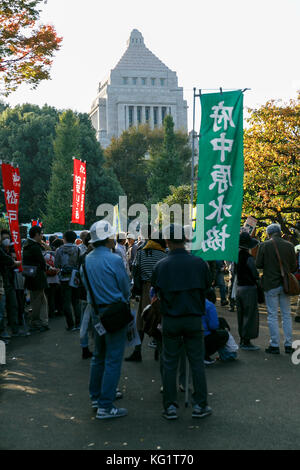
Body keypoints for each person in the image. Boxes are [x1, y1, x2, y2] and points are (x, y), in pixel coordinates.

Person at [151, 224, 212, 420]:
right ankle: (200, 405)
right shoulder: (200, 263)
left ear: (167, 241)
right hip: (194, 318)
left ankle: (169, 406)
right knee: (196, 363)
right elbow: (207, 288)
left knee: (169, 362)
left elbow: (156, 291)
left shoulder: (160, 266)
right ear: (186, 239)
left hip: (171, 319)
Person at [80, 220, 131, 420]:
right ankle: (105, 405)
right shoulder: (114, 260)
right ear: (108, 238)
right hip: (114, 311)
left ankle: (96, 396)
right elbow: (125, 288)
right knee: (113, 358)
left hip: (96, 312)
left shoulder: (86, 260)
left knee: (98, 355)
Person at [256, 223, 297, 354]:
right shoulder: (290, 246)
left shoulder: (264, 245)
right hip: (286, 284)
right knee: (286, 315)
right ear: (279, 232)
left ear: (268, 233)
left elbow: (258, 264)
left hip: (270, 284)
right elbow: (293, 267)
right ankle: (288, 344)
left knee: (272, 315)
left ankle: (274, 344)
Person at [126, 232, 167, 362]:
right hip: (160, 289)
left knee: (141, 319)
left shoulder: (141, 252)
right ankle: (158, 350)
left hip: (145, 289)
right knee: (158, 319)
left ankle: (137, 351)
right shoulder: (164, 254)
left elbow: (135, 269)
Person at [236, 232, 260, 351]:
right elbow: (254, 274)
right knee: (250, 315)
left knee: (241, 314)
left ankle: (242, 339)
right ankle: (246, 341)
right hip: (249, 288)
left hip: (239, 287)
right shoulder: (248, 258)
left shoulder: (235, 256)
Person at [22, 226, 49, 332]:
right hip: (37, 278)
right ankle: (37, 322)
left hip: (31, 277)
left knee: (41, 300)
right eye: (41, 233)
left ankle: (43, 321)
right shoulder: (34, 246)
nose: (42, 235)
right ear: (37, 234)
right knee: (37, 301)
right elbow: (42, 263)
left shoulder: (27, 245)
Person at [55, 231, 81, 331]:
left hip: (64, 278)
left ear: (64, 238)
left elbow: (56, 264)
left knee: (66, 302)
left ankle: (70, 325)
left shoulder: (60, 250)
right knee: (76, 301)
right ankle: (78, 323)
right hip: (75, 278)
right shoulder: (77, 249)